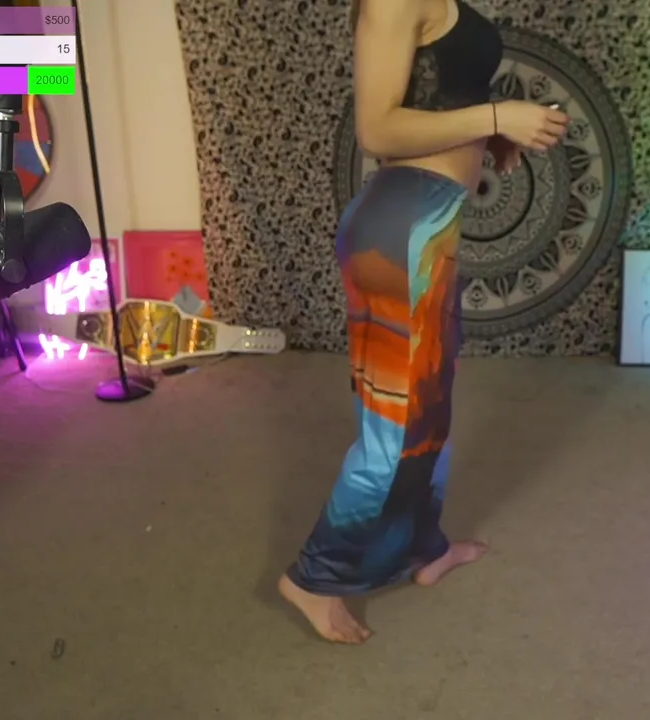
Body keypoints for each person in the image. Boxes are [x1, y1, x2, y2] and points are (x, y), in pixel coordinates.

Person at [278, 0, 569, 643]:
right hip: (402, 229)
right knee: (394, 428)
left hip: (428, 223)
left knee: (429, 410)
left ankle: (423, 548)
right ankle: (312, 578)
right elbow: (377, 129)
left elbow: (437, 95)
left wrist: (486, 139)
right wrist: (498, 116)